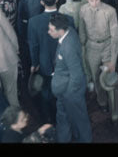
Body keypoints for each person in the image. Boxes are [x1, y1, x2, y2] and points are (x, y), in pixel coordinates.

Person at [48, 11, 92, 142]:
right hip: (64, 91)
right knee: (63, 118)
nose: (48, 32)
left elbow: (76, 74)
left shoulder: (69, 47)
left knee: (80, 121)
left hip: (71, 93)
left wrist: (69, 93)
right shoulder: (69, 31)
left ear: (60, 30)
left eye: (51, 30)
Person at [78, 0, 118, 117]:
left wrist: (113, 61)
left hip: (107, 45)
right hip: (91, 47)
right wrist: (83, 50)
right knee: (96, 77)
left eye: (97, 0)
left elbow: (116, 38)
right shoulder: (83, 10)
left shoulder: (110, 11)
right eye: (91, 0)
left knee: (110, 77)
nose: (94, 3)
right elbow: (82, 31)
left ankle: (114, 107)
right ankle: (102, 102)